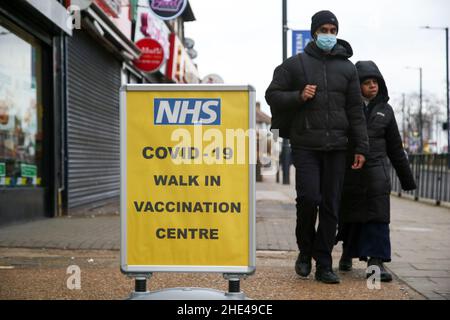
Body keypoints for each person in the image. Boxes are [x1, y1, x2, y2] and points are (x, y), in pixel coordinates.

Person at [265, 10, 369, 284]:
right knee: (309, 198)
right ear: (314, 32)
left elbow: (356, 111)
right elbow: (271, 94)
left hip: (338, 146)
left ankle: (324, 263)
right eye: (323, 29)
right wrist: (299, 96)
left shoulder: (347, 68)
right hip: (306, 144)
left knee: (331, 205)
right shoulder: (295, 65)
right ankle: (304, 251)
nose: (328, 34)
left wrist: (361, 147)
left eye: (332, 30)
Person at [337, 60, 417, 282]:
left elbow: (396, 148)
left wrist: (407, 180)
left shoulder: (386, 111)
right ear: (357, 86)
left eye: (376, 82)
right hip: (351, 171)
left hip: (377, 174)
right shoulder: (347, 107)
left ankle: (376, 263)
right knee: (350, 218)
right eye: (367, 83)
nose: (373, 86)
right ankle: (346, 254)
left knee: (378, 218)